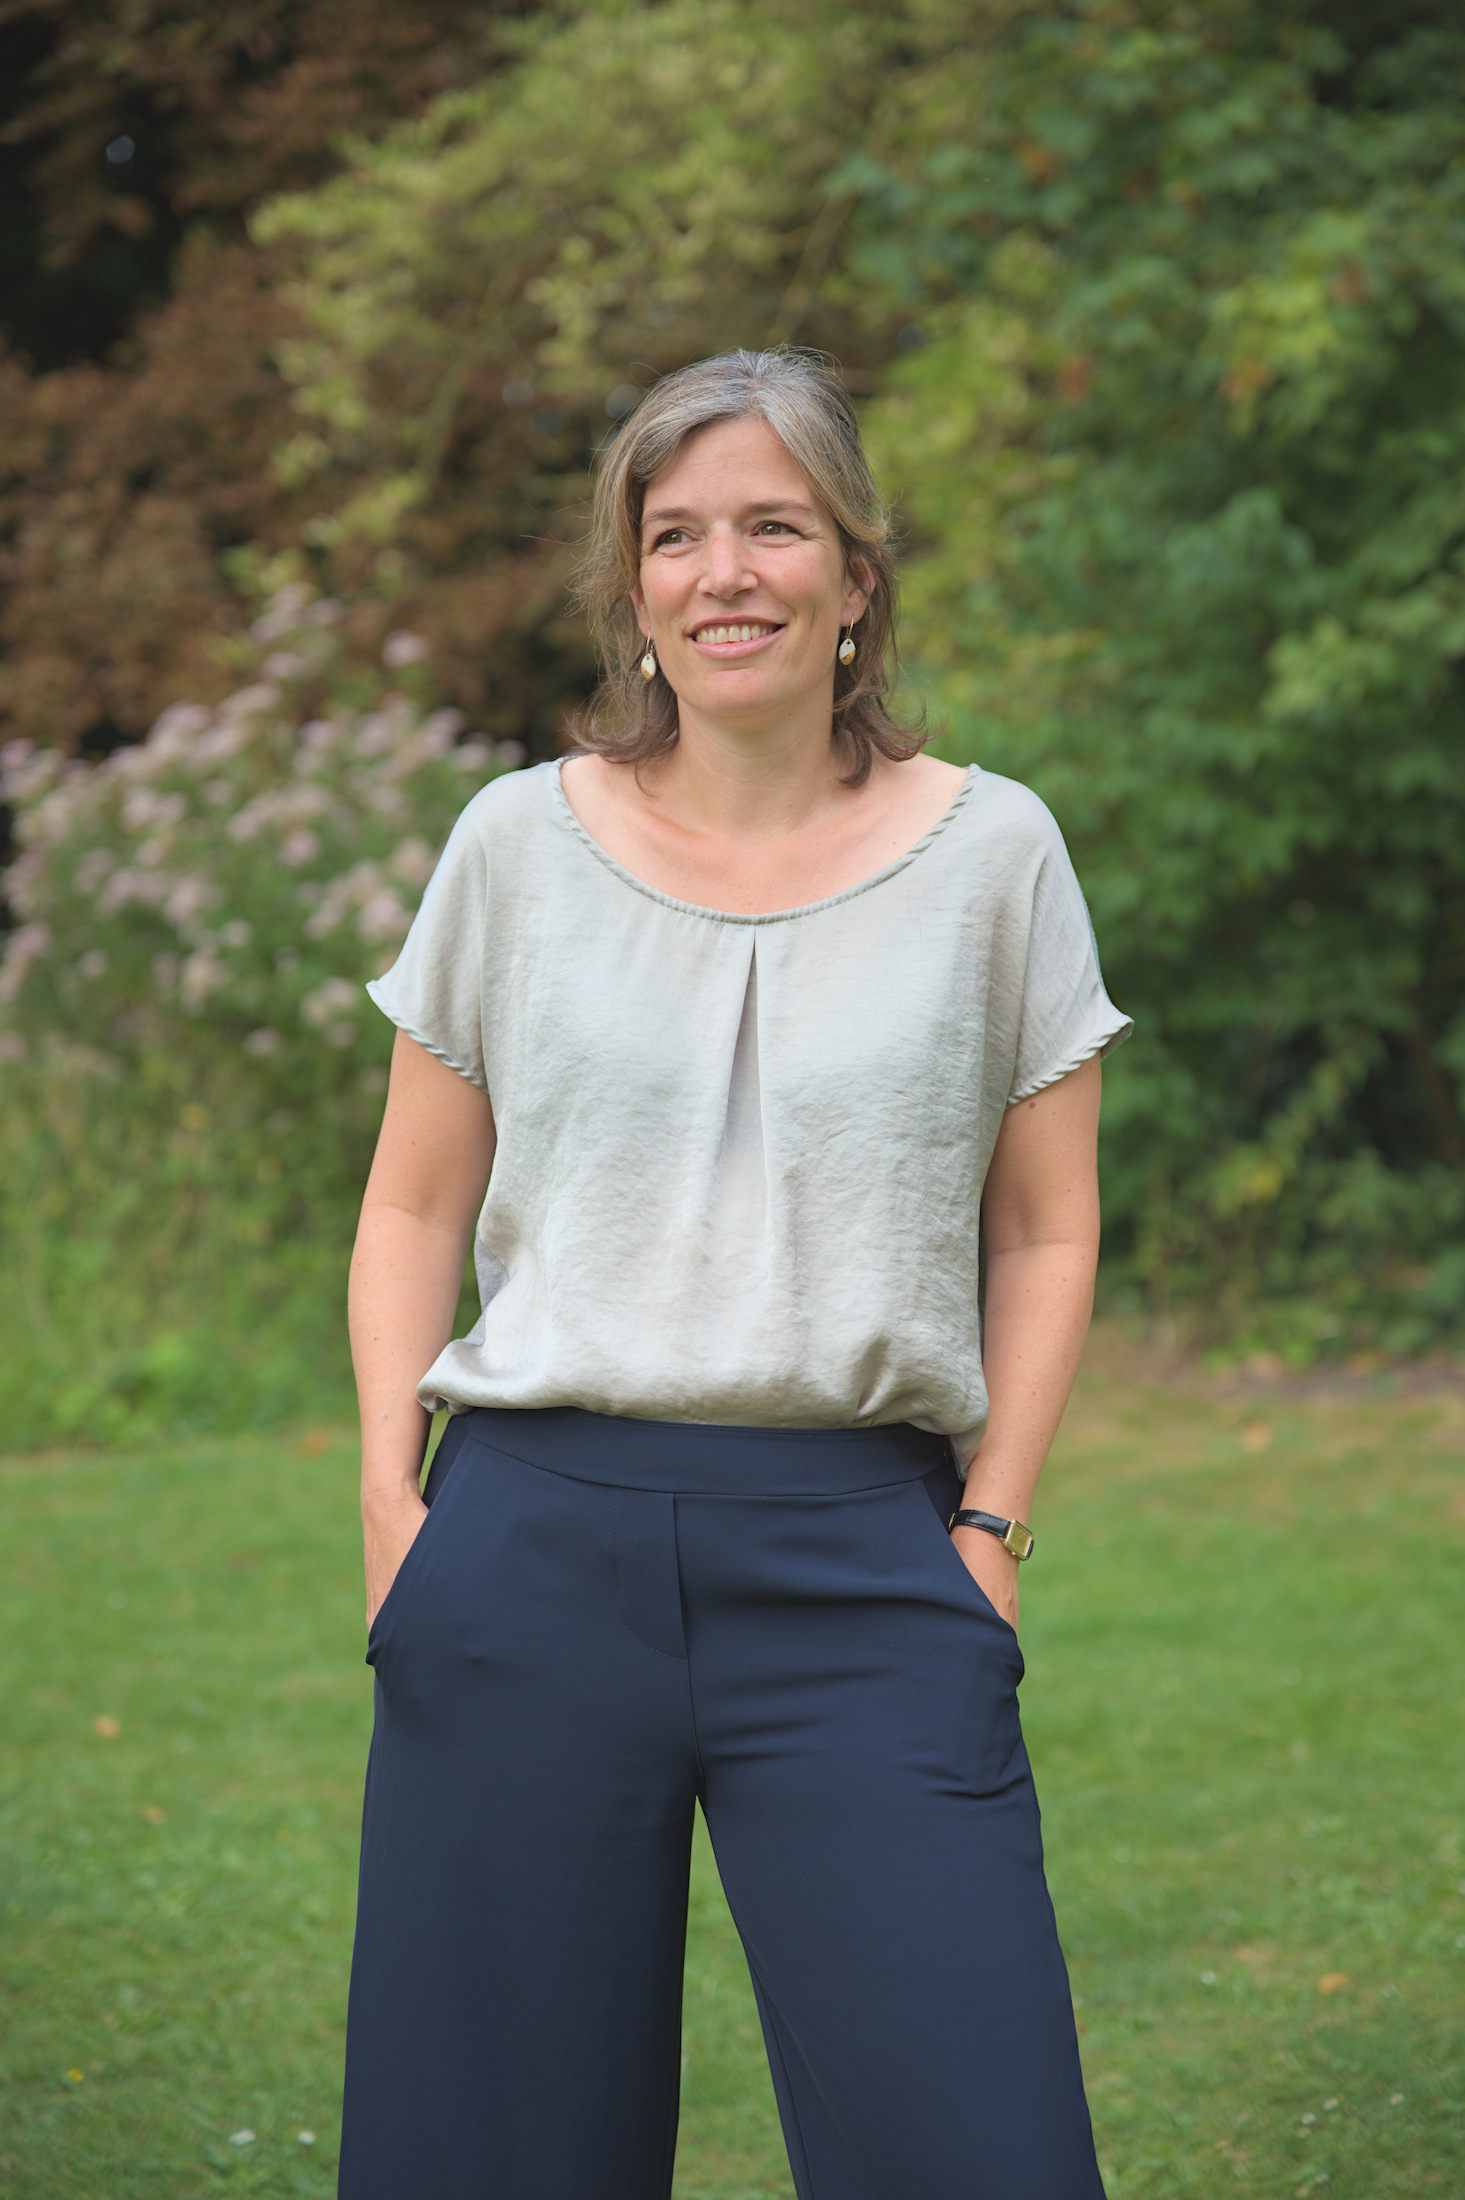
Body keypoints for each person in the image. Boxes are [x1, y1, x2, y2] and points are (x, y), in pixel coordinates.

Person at [338, 346, 1130, 2200]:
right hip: (526, 1551)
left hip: (866, 1563)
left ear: (856, 573)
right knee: (488, 2158)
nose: (724, 574)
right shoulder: (515, 847)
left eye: (774, 526)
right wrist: (389, 1504)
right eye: (675, 535)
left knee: (981, 2148)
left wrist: (991, 1530)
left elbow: (1043, 1226)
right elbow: (409, 1207)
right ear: (633, 589)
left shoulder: (994, 852)